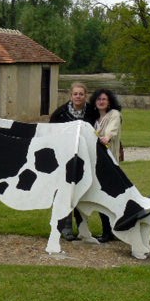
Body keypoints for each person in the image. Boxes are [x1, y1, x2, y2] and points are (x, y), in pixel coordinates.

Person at [49, 82, 97, 240]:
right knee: (66, 191)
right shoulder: (60, 113)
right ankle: (65, 227)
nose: (78, 96)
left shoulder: (92, 111)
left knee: (82, 191)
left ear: (85, 95)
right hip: (65, 158)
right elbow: (51, 134)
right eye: (75, 94)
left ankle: (83, 226)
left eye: (81, 94)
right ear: (71, 96)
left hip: (86, 157)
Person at [89, 88, 123, 243]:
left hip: (109, 162)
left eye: (104, 99)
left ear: (109, 101)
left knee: (108, 197)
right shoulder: (94, 119)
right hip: (97, 163)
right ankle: (109, 231)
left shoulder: (114, 115)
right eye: (98, 99)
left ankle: (111, 231)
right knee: (102, 197)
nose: (101, 101)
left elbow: (112, 131)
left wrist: (106, 137)